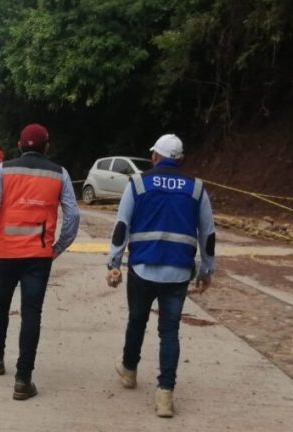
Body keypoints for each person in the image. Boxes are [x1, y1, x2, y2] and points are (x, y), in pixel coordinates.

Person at [106, 133, 216, 418]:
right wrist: (206, 269)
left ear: (155, 157)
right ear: (179, 160)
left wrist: (114, 263)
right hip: (178, 272)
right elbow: (208, 233)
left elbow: (121, 225)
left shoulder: (139, 183)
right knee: (169, 332)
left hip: (142, 268)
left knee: (137, 321)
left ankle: (129, 370)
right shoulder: (196, 189)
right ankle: (165, 395)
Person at [0, 123, 80, 401]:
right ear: (47, 146)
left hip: (5, 253)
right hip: (38, 257)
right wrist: (57, 248)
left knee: (0, 305)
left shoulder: (4, 170)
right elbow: (74, 216)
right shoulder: (60, 174)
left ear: (19, 145)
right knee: (32, 314)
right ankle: (23, 379)